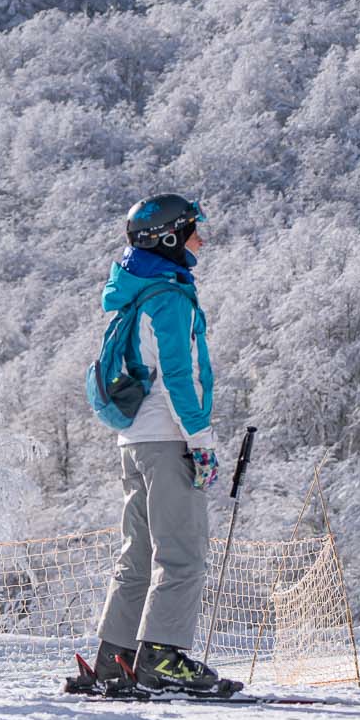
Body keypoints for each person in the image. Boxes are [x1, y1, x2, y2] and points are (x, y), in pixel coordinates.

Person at [86, 193, 229, 694]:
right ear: (169, 238)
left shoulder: (137, 293)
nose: (200, 240)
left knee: (139, 554)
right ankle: (162, 658)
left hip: (133, 442)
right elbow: (178, 379)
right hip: (168, 441)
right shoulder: (169, 298)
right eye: (193, 231)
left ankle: (115, 659)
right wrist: (201, 442)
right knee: (182, 554)